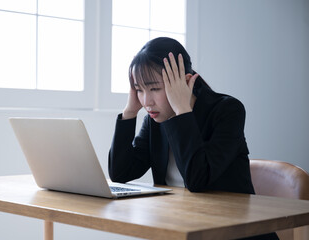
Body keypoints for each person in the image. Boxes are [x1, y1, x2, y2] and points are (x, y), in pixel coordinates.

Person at [108, 37, 278, 240]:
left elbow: (197, 180)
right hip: (183, 226)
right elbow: (120, 172)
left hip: (232, 231)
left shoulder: (227, 110)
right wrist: (129, 112)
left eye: (154, 88)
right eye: (139, 90)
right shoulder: (155, 121)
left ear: (185, 81)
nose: (146, 101)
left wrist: (182, 111)